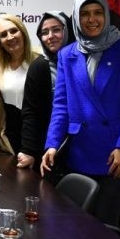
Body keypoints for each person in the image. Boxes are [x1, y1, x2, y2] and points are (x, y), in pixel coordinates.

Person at [42, 0, 120, 227]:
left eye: (98, 12)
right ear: (76, 19)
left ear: (106, 15)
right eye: (85, 14)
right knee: (76, 226)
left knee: (104, 225)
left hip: (118, 153)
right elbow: (61, 105)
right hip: (81, 151)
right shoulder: (67, 54)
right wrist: (52, 144)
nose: (92, 19)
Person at [18, 11, 72, 171]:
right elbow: (30, 112)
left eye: (56, 30)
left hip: (82, 147)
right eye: (44, 32)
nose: (50, 36)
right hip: (49, 148)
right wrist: (28, 150)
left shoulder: (82, 61)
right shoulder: (39, 66)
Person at [0, 14, 39, 155]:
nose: (10, 37)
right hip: (7, 138)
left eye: (13, 31)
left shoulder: (39, 61)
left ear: (23, 32)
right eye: (3, 35)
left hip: (36, 136)